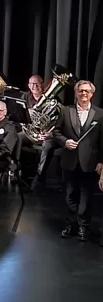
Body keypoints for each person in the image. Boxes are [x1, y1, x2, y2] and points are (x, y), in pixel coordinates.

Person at [51, 80, 103, 243]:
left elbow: (102, 140)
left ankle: (83, 227)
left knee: (87, 197)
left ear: (92, 94)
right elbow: (56, 132)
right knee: (70, 195)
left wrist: (101, 161)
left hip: (90, 162)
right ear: (76, 93)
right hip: (70, 160)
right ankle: (70, 224)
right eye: (81, 91)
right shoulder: (66, 111)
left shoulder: (100, 114)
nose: (84, 94)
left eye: (87, 91)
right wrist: (65, 141)